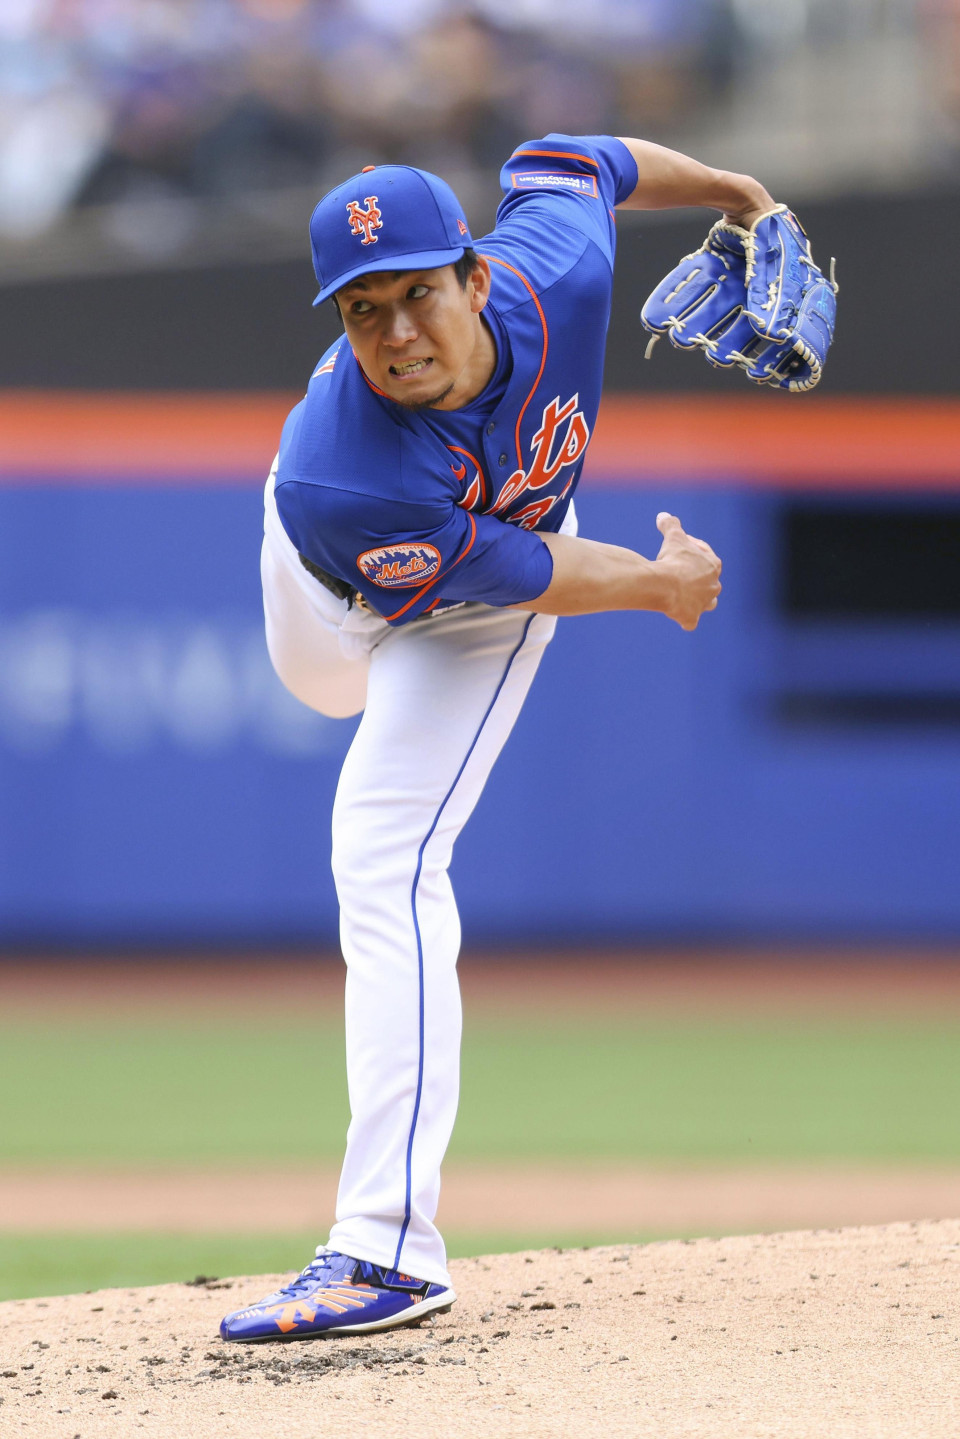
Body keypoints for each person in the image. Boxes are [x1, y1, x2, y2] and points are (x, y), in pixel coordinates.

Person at [220, 132, 743, 1342]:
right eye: (363, 309)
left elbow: (577, 158)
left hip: (469, 613)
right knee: (325, 691)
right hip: (325, 575)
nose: (395, 329)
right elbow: (557, 566)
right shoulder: (342, 471)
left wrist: (739, 192)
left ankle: (385, 1249)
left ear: (476, 277)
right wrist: (660, 582)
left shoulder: (554, 264)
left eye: (415, 291)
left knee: (383, 850)